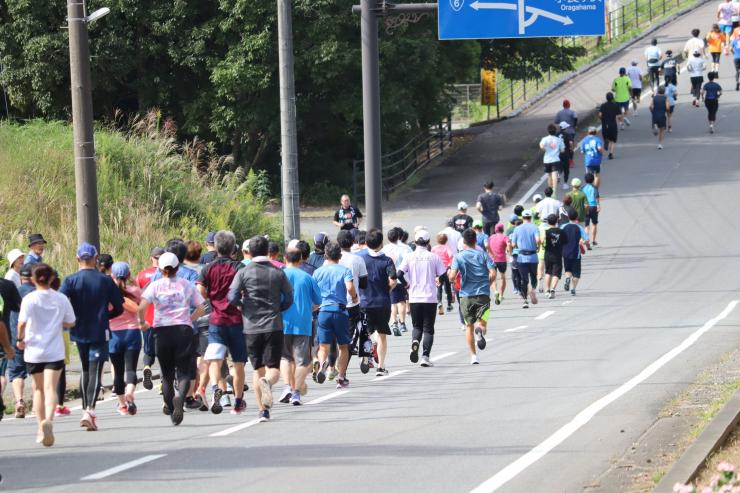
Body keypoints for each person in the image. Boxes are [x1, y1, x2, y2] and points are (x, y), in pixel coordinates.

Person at [228, 236, 293, 422]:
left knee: (258, 369)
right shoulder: (278, 272)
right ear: (267, 251)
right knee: (273, 368)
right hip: (273, 325)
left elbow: (231, 296)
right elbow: (289, 297)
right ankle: (268, 382)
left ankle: (263, 411)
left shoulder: (243, 272)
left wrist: (242, 306)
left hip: (251, 327)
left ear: (249, 252)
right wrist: (278, 308)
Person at [60, 243, 124, 431]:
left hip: (78, 331)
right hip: (99, 330)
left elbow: (60, 302)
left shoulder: (70, 280)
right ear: (96, 259)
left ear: (77, 259)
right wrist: (106, 316)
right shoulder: (105, 280)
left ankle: (85, 410)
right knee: (95, 370)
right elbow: (118, 307)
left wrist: (70, 318)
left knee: (85, 369)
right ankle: (89, 410)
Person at [138, 252, 205, 426]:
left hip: (162, 331)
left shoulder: (155, 285)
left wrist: (143, 322)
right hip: (183, 330)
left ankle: (170, 404)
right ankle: (180, 398)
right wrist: (190, 319)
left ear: (160, 269)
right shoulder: (186, 284)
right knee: (184, 372)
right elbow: (201, 307)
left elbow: (142, 306)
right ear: (177, 268)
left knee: (167, 375)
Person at [16, 264, 75, 446]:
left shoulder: (29, 299)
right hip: (54, 350)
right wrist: (58, 322)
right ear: (51, 279)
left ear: (32, 279)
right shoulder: (61, 298)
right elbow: (71, 322)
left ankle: (41, 428)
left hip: (34, 350)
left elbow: (21, 323)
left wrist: (20, 339)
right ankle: (49, 419)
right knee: (51, 388)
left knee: (38, 389)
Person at [197, 231, 248, 415]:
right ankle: (238, 401)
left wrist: (210, 298)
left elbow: (200, 290)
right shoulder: (239, 267)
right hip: (236, 320)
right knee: (238, 363)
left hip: (216, 320)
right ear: (233, 248)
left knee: (215, 360)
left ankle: (216, 389)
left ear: (216, 247)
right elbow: (246, 291)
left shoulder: (208, 268)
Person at [399, 229, 446, 367]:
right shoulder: (433, 257)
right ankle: (425, 356)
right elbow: (443, 274)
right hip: (430, 297)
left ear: (415, 242)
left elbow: (399, 273)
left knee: (417, 326)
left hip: (414, 297)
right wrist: (439, 280)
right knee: (428, 329)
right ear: (428, 242)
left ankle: (415, 342)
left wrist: (406, 284)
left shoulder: (409, 256)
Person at [280, 248, 321, 405]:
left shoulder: (279, 276)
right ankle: (296, 393)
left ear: (285, 259)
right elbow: (318, 302)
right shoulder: (307, 277)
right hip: (303, 323)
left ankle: (286, 387)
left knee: (285, 357)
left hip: (282, 322)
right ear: (301, 260)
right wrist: (308, 309)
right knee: (303, 362)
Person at [313, 242, 357, 389]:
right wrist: (354, 297)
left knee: (323, 345)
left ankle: (322, 365)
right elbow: (350, 287)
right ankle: (341, 377)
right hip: (340, 311)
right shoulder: (345, 270)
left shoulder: (318, 272)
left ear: (325, 255)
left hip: (323, 311)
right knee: (343, 346)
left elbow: (314, 291)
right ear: (340, 255)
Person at [358, 229, 397, 376]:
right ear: (381, 243)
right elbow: (393, 280)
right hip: (382, 302)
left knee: (366, 332)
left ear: (366, 243)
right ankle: (380, 367)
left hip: (364, 302)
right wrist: (387, 289)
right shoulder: (387, 260)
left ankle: (365, 356)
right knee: (381, 334)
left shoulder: (361, 260)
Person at [108, 262, 142, 416]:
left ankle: (122, 405)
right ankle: (130, 392)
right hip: (132, 332)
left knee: (118, 371)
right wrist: (134, 284)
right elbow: (141, 306)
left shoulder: (107, 293)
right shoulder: (134, 291)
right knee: (131, 369)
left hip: (114, 334)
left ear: (112, 275)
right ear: (128, 275)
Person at [336, 230, 368, 374]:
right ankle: (342, 371)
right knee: (349, 338)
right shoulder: (357, 259)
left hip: (332, 303)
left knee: (332, 336)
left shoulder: (330, 260)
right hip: (351, 303)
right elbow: (364, 284)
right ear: (353, 242)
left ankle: (330, 363)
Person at [136, 246, 164, 391]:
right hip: (163, 320)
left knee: (148, 350)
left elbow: (137, 297)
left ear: (151, 258)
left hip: (147, 319)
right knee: (164, 353)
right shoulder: (167, 274)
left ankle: (147, 366)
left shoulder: (141, 275)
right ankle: (163, 383)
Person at [8, 264, 33, 419]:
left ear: (21, 277)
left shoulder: (14, 293)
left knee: (17, 372)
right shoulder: (37, 293)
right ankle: (37, 406)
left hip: (15, 337)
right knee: (36, 372)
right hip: (35, 339)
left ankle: (19, 401)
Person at [0, 268, 21, 419]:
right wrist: (8, 346)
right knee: (1, 374)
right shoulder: (7, 285)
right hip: (3, 337)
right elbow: (18, 307)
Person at [382, 227, 411, 335]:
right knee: (402, 302)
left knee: (392, 303)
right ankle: (402, 323)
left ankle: (394, 322)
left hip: (389, 278)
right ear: (399, 236)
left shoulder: (384, 249)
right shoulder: (406, 248)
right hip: (402, 278)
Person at [510, 211, 540, 309]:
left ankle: (525, 300)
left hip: (521, 257)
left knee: (524, 279)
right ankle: (532, 288)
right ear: (530, 217)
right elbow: (538, 240)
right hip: (533, 256)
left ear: (522, 218)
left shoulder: (517, 229)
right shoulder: (535, 227)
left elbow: (513, 244)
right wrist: (538, 247)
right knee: (534, 276)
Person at [562, 210, 590, 296]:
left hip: (565, 252)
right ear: (576, 217)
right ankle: (573, 289)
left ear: (568, 217)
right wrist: (585, 244)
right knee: (576, 273)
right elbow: (587, 239)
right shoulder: (579, 227)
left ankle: (567, 278)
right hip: (576, 253)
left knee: (568, 269)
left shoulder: (563, 226)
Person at [543, 215, 567, 299]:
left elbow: (542, 241)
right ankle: (553, 289)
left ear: (548, 222)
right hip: (557, 254)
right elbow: (565, 242)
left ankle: (547, 290)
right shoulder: (561, 231)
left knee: (548, 272)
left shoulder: (546, 232)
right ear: (557, 221)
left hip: (548, 254)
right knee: (556, 273)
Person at [487, 224, 509, 305]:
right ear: (502, 229)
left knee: (493, 276)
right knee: (502, 277)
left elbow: (487, 246)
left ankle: (495, 291)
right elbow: (509, 244)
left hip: (492, 259)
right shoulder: (504, 237)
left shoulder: (491, 237)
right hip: (502, 259)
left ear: (495, 230)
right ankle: (501, 295)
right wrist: (508, 251)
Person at [432, 233, 454, 314]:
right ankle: (449, 304)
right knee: (448, 288)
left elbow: (432, 257)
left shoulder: (434, 248)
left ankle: (439, 302)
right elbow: (451, 256)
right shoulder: (447, 247)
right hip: (445, 270)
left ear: (437, 240)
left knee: (439, 287)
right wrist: (449, 265)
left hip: (437, 270)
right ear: (446, 240)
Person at [539, 123, 565, 191]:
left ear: (548, 131)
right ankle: (554, 190)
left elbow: (541, 146)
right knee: (554, 174)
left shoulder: (545, 139)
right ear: (555, 131)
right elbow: (562, 150)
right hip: (555, 159)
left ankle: (550, 190)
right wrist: (558, 150)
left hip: (547, 160)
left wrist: (545, 150)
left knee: (549, 175)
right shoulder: (559, 140)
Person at [582, 173, 601, 248]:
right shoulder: (594, 187)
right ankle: (593, 241)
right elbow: (596, 197)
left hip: (585, 207)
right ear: (593, 180)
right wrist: (598, 205)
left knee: (586, 225)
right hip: (593, 207)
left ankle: (586, 241)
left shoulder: (582, 188)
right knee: (594, 224)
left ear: (585, 180)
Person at [599, 92, 620, 159]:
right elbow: (618, 116)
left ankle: (606, 140)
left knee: (606, 136)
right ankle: (611, 154)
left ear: (606, 98)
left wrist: (602, 119)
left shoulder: (603, 106)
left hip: (605, 125)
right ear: (612, 98)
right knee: (613, 140)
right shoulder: (615, 105)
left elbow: (600, 115)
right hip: (613, 125)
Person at [650, 85, 670, 149]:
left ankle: (655, 126)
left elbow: (650, 106)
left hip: (655, 115)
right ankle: (660, 144)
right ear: (664, 91)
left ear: (658, 90)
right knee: (662, 130)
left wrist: (652, 112)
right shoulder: (665, 98)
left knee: (656, 128)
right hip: (662, 115)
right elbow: (667, 107)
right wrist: (667, 111)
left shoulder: (654, 98)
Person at [557, 122, 574, 190]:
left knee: (559, 166)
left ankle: (558, 174)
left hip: (557, 154)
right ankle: (565, 184)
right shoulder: (567, 134)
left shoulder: (556, 134)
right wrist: (571, 149)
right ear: (565, 128)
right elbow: (571, 142)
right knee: (566, 169)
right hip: (565, 153)